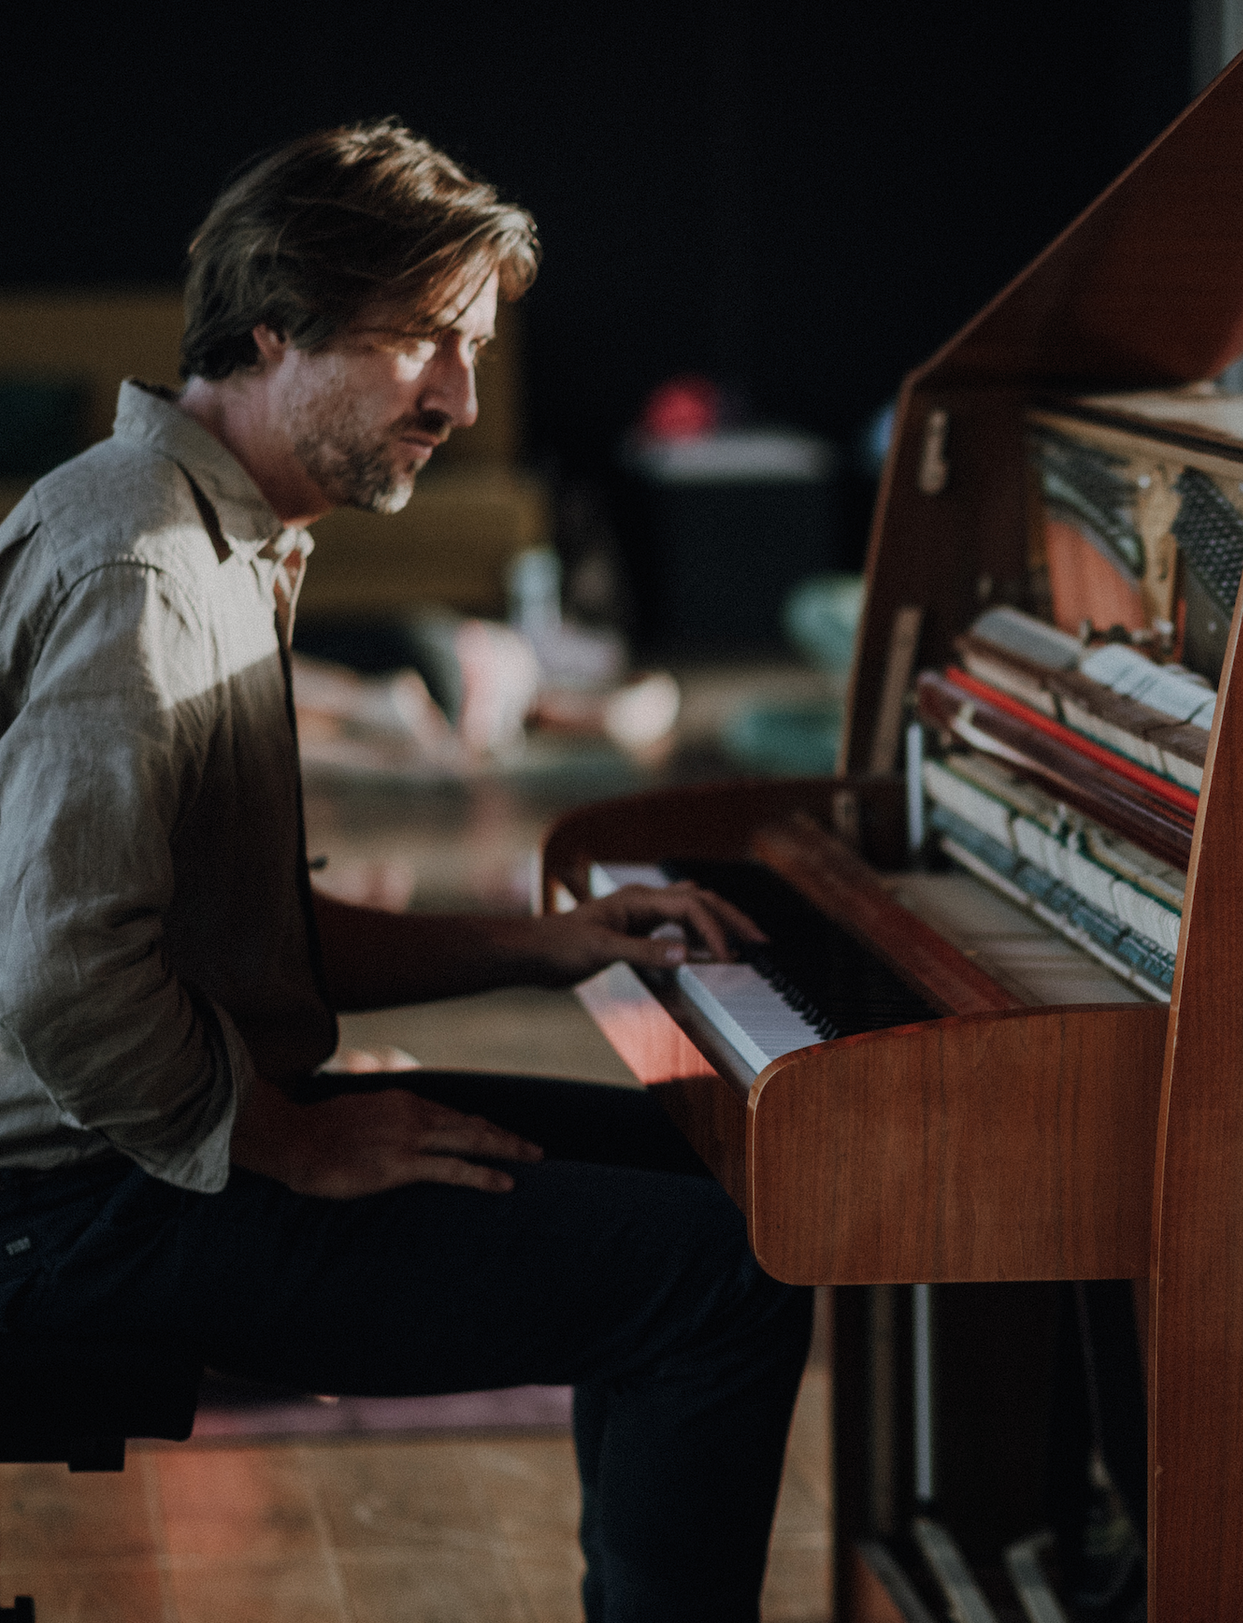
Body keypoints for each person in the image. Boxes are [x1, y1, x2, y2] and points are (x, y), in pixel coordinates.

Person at [0, 121, 812, 1622]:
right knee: (723, 1277)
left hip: (127, 1163)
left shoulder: (212, 535)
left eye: (476, 346)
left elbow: (250, 936)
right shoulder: (145, 567)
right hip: (76, 1203)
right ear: (275, 327)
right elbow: (64, 974)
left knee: (721, 1172)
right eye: (422, 342)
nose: (461, 397)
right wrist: (293, 1139)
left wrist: (546, 940)